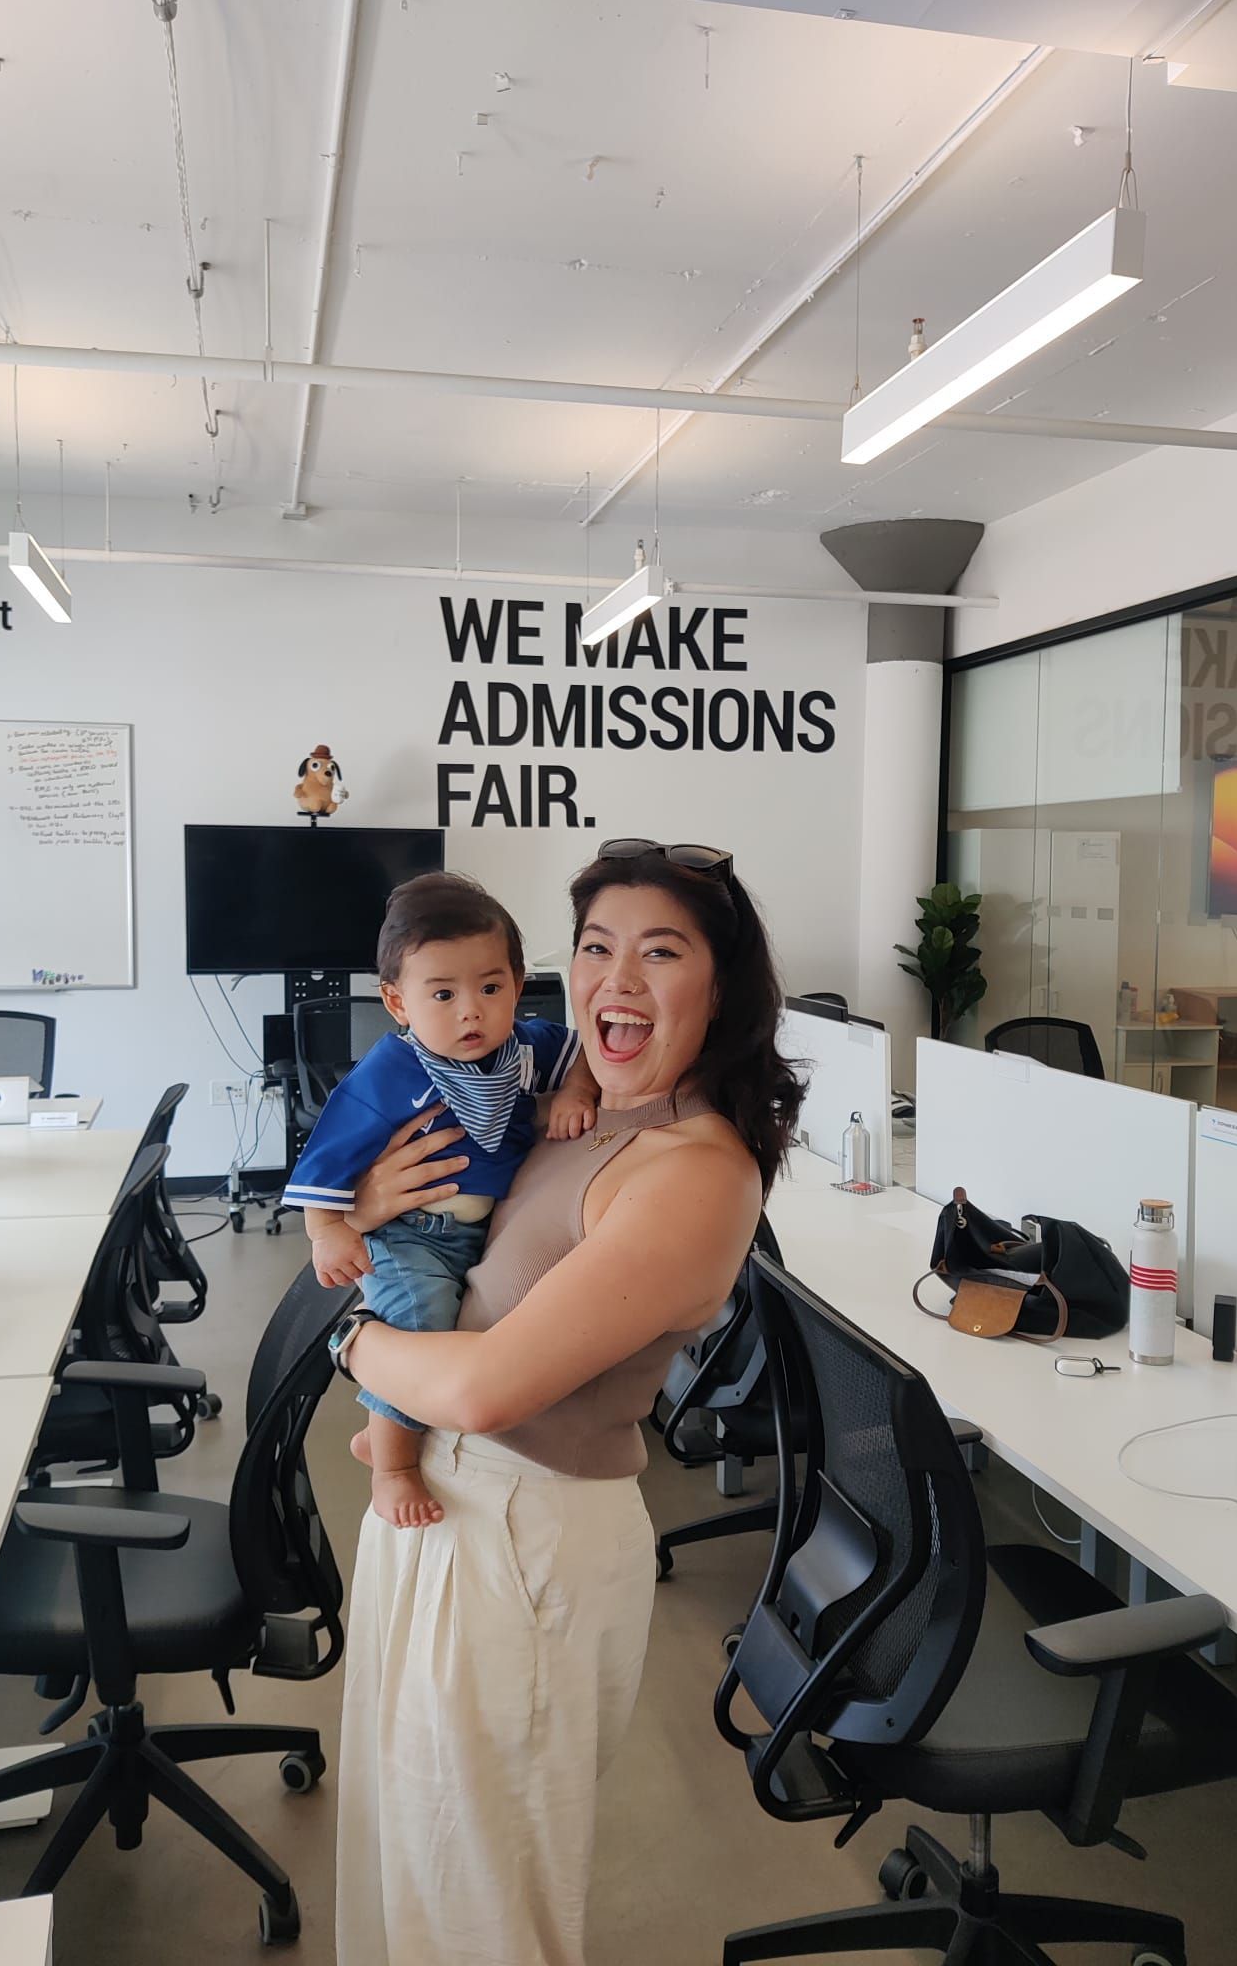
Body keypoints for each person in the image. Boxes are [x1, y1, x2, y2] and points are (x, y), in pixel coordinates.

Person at [324, 839, 804, 1966]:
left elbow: (486, 1386)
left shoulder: (695, 1172)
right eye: (595, 947)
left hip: (523, 1539)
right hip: (442, 1508)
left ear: (722, 989)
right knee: (415, 1865)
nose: (616, 979)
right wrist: (367, 1203)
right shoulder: (571, 1108)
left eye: (661, 953)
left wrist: (343, 1331)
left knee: (487, 1908)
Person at [282, 872, 600, 1527]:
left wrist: (574, 1092)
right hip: (409, 1235)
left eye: (491, 988)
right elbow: (327, 1158)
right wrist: (327, 1231)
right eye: (444, 994)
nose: (470, 1012)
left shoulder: (524, 1050)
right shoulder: (391, 1073)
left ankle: (387, 1430)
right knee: (421, 1323)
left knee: (479, 1330)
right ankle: (391, 1467)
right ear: (397, 1002)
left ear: (518, 984)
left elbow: (581, 1056)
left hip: (479, 1234)